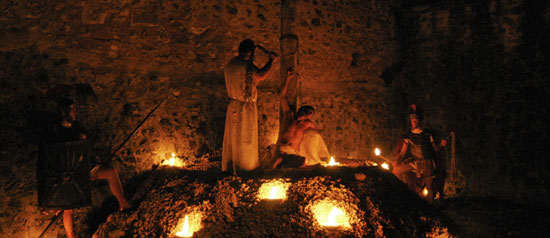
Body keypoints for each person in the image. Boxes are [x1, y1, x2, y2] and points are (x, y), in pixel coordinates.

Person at [41, 98, 130, 238]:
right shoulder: (54, 132)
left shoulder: (78, 128)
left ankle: (123, 204)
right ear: (64, 113)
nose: (75, 112)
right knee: (68, 207)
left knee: (110, 172)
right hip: (66, 176)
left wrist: (106, 153)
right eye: (72, 109)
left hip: (84, 170)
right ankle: (71, 236)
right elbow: (50, 159)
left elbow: (88, 149)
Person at [222, 39, 277, 174]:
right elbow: (261, 75)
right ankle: (245, 166)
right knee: (245, 137)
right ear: (250, 52)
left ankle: (232, 164)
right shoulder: (246, 66)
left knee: (234, 137)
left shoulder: (230, 64)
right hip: (245, 107)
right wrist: (271, 61)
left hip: (233, 105)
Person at [260, 70, 330, 169]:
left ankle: (286, 170)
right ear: (302, 110)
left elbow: (317, 133)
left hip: (292, 152)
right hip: (281, 148)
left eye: (310, 114)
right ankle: (269, 175)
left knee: (304, 162)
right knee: (277, 159)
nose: (308, 114)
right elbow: (282, 96)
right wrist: (288, 79)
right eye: (307, 111)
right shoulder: (289, 116)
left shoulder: (307, 124)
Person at [392, 104, 447, 202]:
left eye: (415, 120)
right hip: (415, 163)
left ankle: (430, 205)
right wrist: (397, 160)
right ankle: (400, 198)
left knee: (429, 183)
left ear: (419, 120)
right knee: (396, 171)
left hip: (427, 163)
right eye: (412, 120)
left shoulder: (428, 135)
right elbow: (402, 153)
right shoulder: (408, 136)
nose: (414, 122)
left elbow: (436, 149)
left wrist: (441, 145)